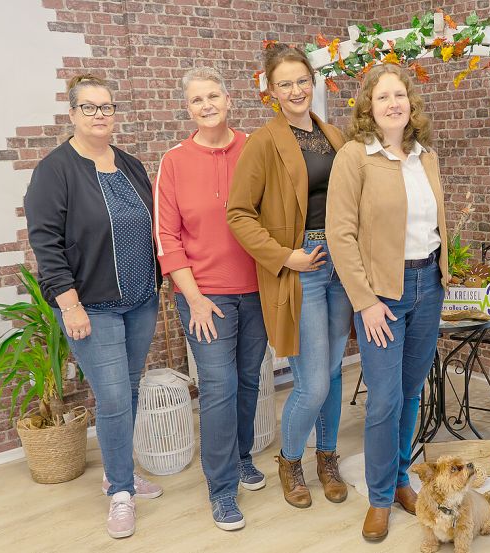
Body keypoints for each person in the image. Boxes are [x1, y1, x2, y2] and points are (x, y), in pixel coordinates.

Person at [24, 74, 163, 539]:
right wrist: (70, 306)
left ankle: (117, 472)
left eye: (107, 107)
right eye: (89, 107)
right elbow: (46, 244)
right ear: (72, 114)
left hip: (140, 299)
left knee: (130, 390)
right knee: (114, 398)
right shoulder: (55, 170)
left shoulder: (129, 164)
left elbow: (151, 225)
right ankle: (120, 493)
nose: (100, 115)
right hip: (91, 306)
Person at [326, 64, 449, 542]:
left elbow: (434, 225)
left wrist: (444, 276)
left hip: (428, 286)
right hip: (382, 295)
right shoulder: (355, 157)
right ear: (369, 108)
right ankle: (379, 498)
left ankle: (400, 481)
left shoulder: (425, 156)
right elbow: (341, 233)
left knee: (412, 392)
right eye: (383, 97)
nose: (393, 104)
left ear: (410, 103)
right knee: (384, 399)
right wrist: (366, 301)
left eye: (400, 95)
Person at [227, 43, 352, 509]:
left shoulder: (334, 136)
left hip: (342, 264)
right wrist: (285, 257)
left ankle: (327, 458)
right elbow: (238, 214)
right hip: (303, 268)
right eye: (285, 84)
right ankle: (291, 460)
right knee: (312, 382)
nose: (296, 90)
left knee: (334, 373)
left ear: (313, 83)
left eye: (302, 80)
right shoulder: (263, 142)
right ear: (271, 91)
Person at [153, 67, 267, 531]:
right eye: (197, 100)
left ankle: (241, 456)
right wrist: (195, 299)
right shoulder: (174, 161)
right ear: (188, 109)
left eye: (213, 96)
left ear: (228, 100)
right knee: (219, 389)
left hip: (258, 291)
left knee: (248, 381)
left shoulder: (255, 148)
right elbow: (166, 237)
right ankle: (221, 489)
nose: (207, 105)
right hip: (205, 297)